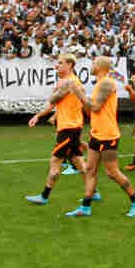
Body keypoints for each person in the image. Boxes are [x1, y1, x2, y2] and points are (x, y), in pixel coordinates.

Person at [67, 56, 135, 218]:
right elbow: (92, 109)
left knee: (112, 172)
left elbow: (95, 107)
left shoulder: (107, 83)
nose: (92, 65)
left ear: (101, 67)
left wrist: (79, 94)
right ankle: (85, 206)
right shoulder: (100, 83)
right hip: (98, 133)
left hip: (107, 134)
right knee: (90, 169)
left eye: (94, 63)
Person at [25, 53, 85, 205]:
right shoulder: (70, 82)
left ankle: (44, 196)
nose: (56, 66)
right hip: (72, 127)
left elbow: (52, 102)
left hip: (69, 129)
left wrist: (38, 116)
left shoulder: (69, 83)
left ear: (70, 65)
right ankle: (93, 191)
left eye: (60, 63)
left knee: (55, 161)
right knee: (78, 161)